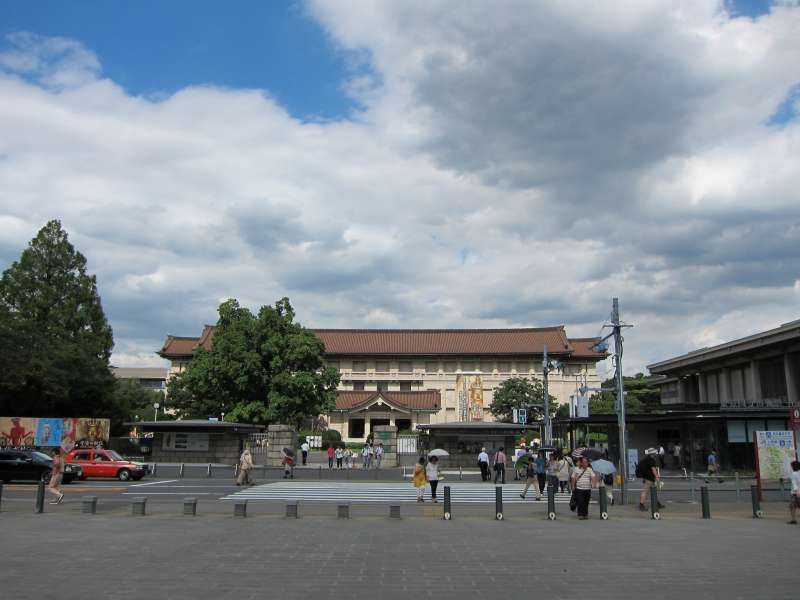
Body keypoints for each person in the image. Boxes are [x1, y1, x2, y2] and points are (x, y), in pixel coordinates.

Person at [788, 460, 800, 525]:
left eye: (792, 466)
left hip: (795, 493)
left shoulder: (794, 474)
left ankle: (793, 520)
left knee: (792, 506)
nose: (791, 467)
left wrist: (796, 492)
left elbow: (794, 483)